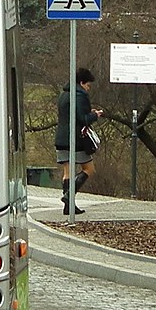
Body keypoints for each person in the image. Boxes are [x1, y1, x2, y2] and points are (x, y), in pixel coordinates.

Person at [54, 67, 102, 214]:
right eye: (88, 85)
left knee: (67, 172)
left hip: (61, 138)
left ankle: (69, 208)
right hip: (76, 140)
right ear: (81, 83)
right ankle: (69, 196)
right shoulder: (79, 96)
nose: (88, 88)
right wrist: (96, 115)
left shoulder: (64, 95)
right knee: (89, 169)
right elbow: (83, 119)